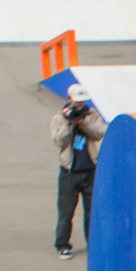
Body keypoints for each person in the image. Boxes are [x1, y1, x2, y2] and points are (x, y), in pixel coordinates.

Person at [51, 83, 105, 259]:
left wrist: (83, 123)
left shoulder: (91, 115)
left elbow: (98, 134)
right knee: (66, 212)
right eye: (77, 102)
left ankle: (93, 244)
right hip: (70, 172)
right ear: (69, 100)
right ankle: (62, 245)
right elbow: (59, 141)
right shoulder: (59, 118)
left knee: (92, 211)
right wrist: (69, 123)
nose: (80, 105)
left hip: (90, 170)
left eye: (83, 101)